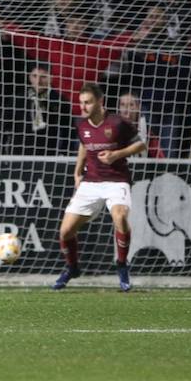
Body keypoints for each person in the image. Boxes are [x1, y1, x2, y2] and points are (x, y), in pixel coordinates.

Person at [52, 83, 146, 293]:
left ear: (100, 101)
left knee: (120, 217)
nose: (83, 107)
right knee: (65, 231)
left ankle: (121, 266)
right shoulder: (81, 124)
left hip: (116, 180)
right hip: (91, 182)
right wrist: (77, 172)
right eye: (81, 103)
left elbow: (141, 144)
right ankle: (72, 267)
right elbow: (84, 145)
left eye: (87, 102)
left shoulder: (118, 123)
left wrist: (116, 155)